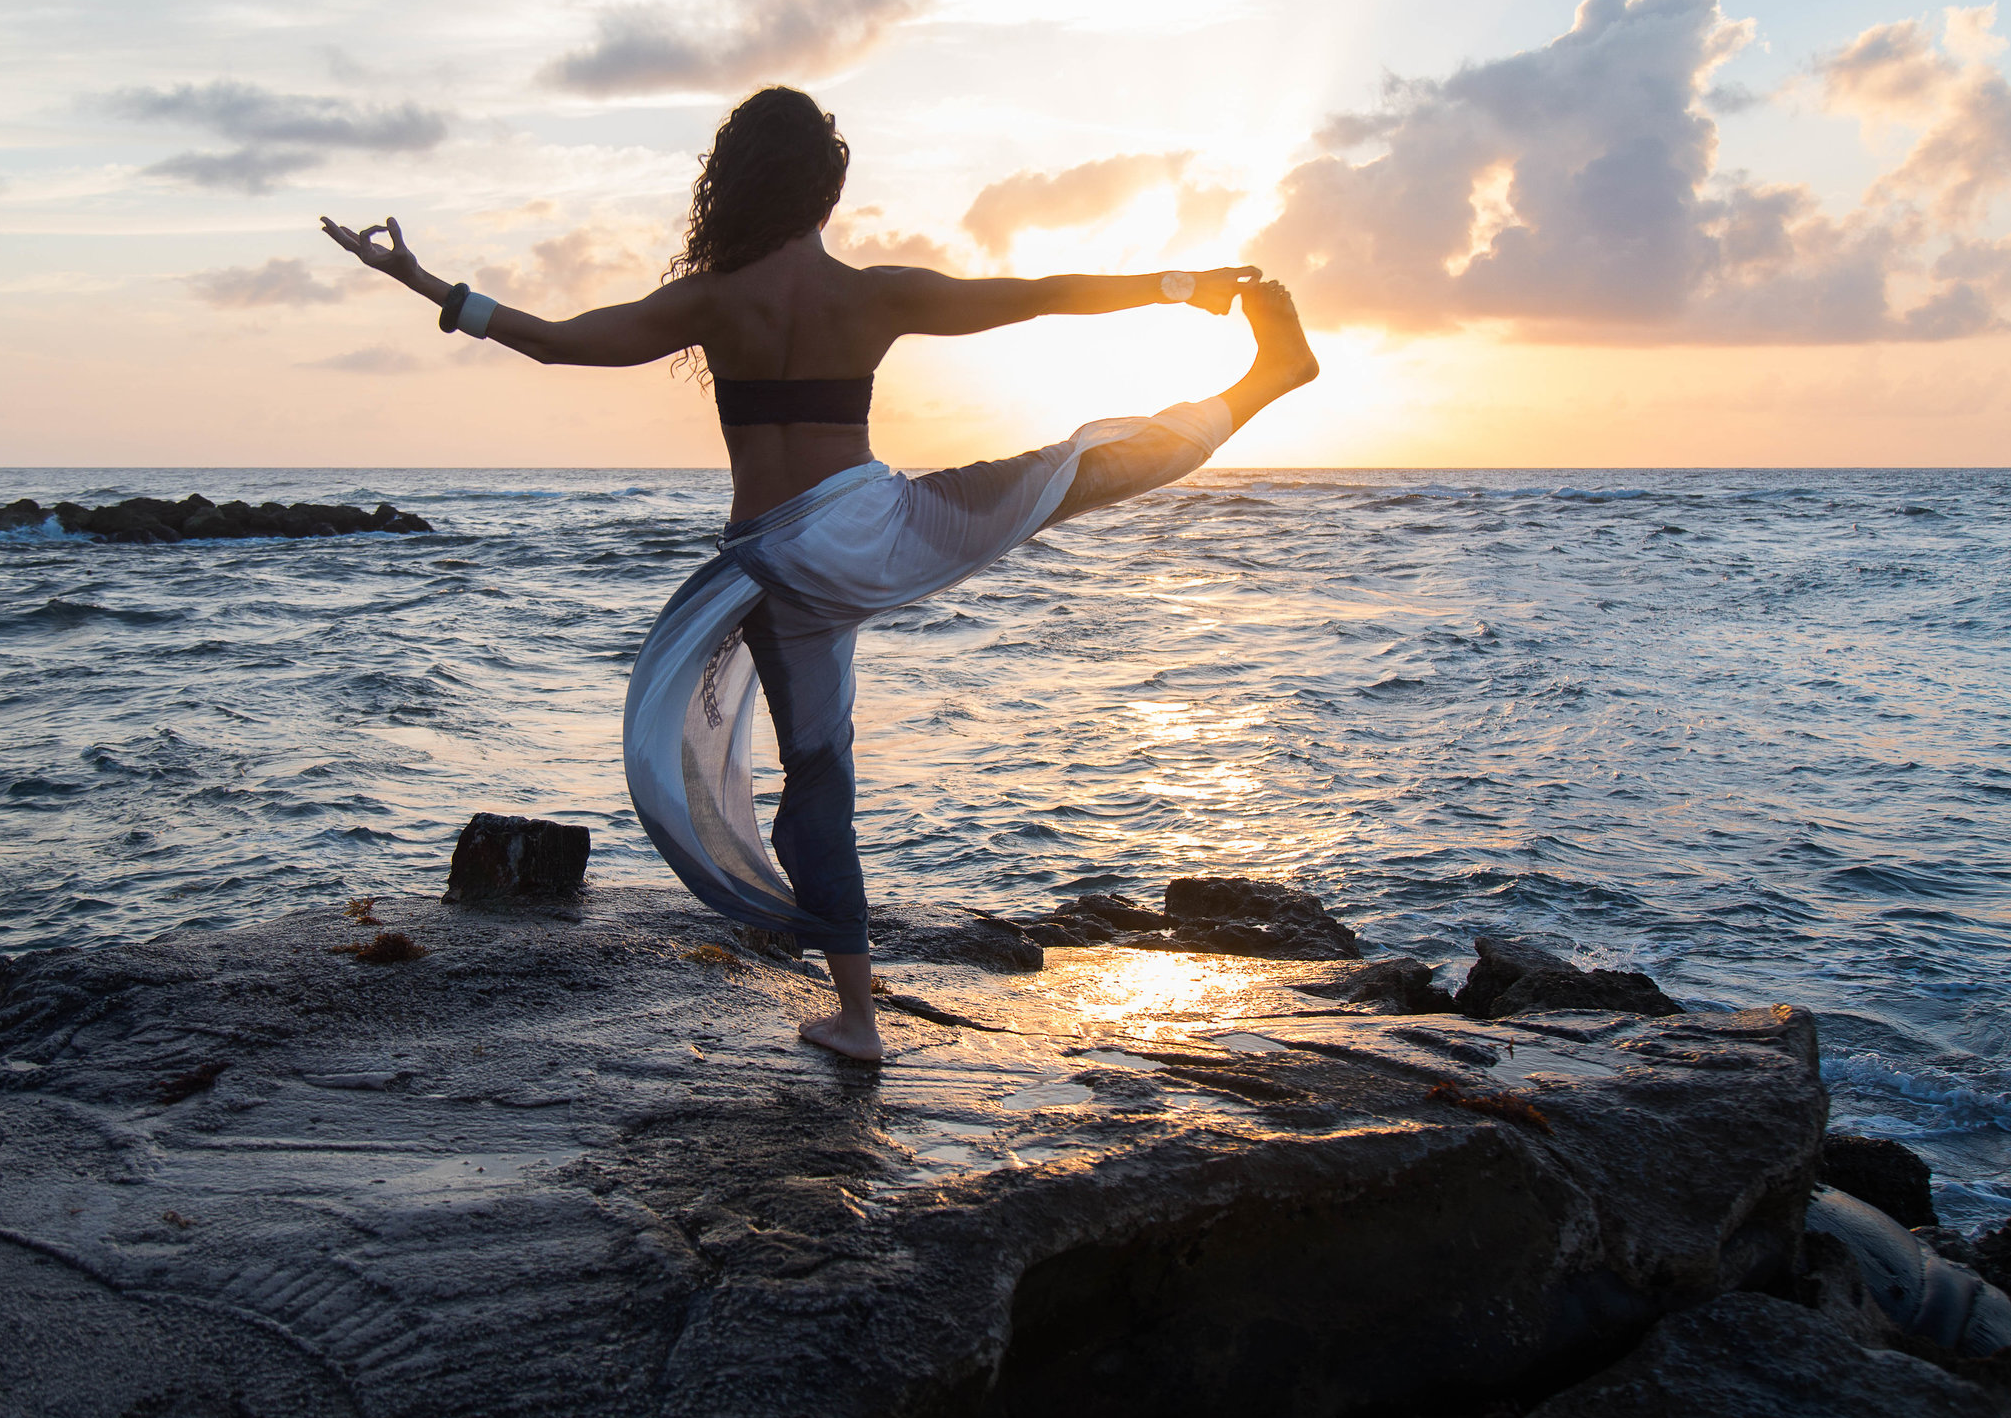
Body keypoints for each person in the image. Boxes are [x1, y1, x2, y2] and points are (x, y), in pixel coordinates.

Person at [321, 85, 1318, 1062]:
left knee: (817, 775)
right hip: (879, 528)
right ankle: (1262, 380)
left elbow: (555, 342)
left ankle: (857, 1017)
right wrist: (1182, 285)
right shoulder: (872, 292)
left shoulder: (712, 300)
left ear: (736, 186)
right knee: (1071, 472)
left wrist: (429, 285)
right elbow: (1035, 296)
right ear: (823, 192)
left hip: (775, 569)